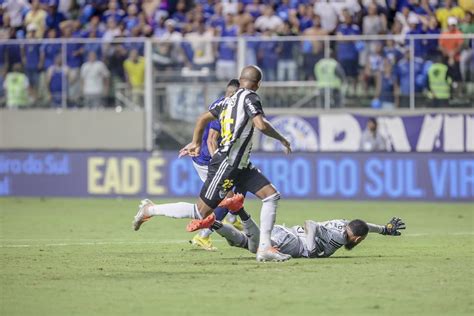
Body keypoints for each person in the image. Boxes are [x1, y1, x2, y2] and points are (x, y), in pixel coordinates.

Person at [133, 65, 293, 262]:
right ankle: (150, 209)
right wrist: (282, 139)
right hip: (227, 164)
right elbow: (260, 124)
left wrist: (195, 141)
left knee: (271, 195)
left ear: (240, 79)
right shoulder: (251, 97)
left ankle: (265, 248)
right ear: (258, 84)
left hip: (241, 165)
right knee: (200, 212)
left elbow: (203, 118)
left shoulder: (226, 101)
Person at [213, 207, 406, 259]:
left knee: (243, 243)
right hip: (294, 243)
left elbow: (362, 225)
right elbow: (311, 224)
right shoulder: (340, 237)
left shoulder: (345, 225)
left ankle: (214, 224)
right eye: (361, 240)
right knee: (253, 245)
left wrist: (383, 230)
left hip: (286, 232)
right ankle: (241, 211)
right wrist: (312, 249)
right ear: (356, 239)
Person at [187, 79, 241, 251]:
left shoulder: (222, 103)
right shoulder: (227, 107)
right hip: (206, 160)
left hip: (207, 157)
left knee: (235, 189)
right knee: (227, 198)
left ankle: (232, 218)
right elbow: (211, 141)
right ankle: (203, 236)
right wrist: (219, 164)